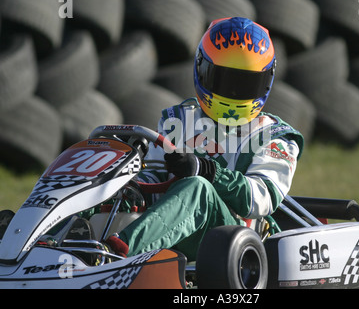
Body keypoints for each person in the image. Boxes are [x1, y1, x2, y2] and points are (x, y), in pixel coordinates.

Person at [106, 17, 304, 261]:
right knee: (109, 180)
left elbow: (260, 198)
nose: (232, 92)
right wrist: (124, 185)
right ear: (202, 69)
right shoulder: (179, 120)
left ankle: (113, 257)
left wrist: (208, 171)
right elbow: (153, 178)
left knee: (198, 188)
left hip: (235, 245)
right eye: (223, 80)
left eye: (244, 84)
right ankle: (58, 243)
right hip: (173, 231)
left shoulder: (275, 137)